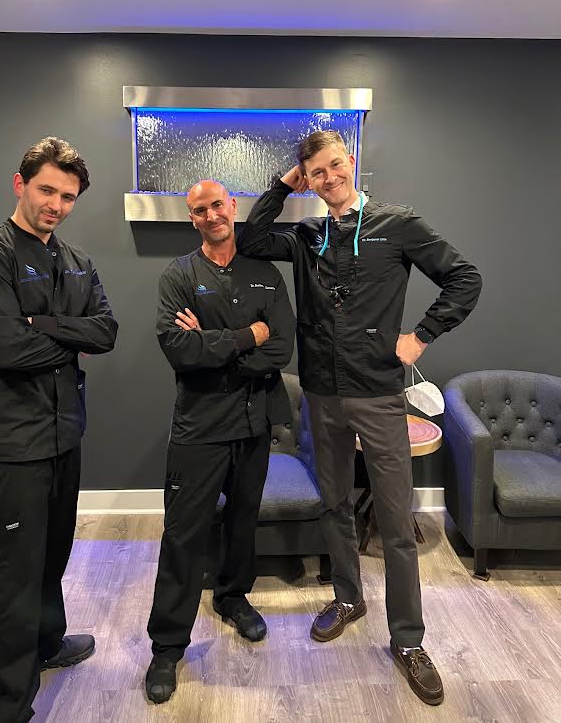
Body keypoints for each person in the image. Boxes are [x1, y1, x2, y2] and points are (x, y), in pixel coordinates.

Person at [237, 130, 482, 707]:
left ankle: (408, 641)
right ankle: (348, 597)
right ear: (309, 181)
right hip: (322, 392)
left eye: (334, 165)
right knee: (336, 503)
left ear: (352, 163)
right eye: (315, 173)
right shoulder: (307, 234)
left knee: (397, 521)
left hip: (377, 393)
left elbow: (464, 278)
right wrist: (284, 182)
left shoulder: (398, 225)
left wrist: (421, 336)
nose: (329, 177)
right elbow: (250, 238)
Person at [0, 137, 118, 723]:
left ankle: (47, 645)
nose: (56, 204)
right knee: (14, 576)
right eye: (47, 190)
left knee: (52, 558)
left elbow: (106, 332)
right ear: (20, 184)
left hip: (62, 435)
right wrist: (64, 340)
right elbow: (6, 347)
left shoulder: (76, 262)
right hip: (9, 444)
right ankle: (10, 705)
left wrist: (44, 324)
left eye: (68, 196)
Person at [145, 180, 296, 704]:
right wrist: (244, 337)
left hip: (254, 422)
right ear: (191, 219)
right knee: (183, 533)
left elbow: (281, 347)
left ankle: (233, 598)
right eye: (199, 210)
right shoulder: (179, 276)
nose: (211, 215)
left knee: (243, 519)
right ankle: (167, 646)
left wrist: (217, 344)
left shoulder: (266, 273)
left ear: (232, 207)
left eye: (217, 205)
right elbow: (181, 351)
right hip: (200, 426)